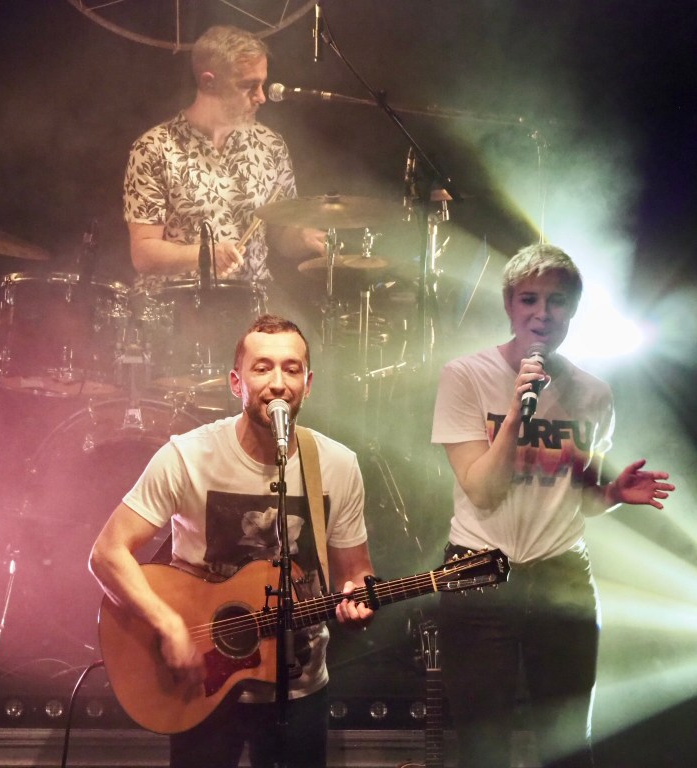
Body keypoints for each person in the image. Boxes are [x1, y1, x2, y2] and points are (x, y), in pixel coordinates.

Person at [89, 314, 376, 768]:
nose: (278, 383)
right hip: (202, 681)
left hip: (298, 686)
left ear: (308, 384)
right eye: (262, 368)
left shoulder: (337, 466)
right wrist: (168, 625)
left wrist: (358, 600)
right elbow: (107, 554)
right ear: (236, 382)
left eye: (292, 369)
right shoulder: (188, 456)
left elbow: (355, 572)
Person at [431, 243, 674, 768]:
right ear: (509, 305)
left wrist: (613, 495)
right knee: (482, 748)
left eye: (557, 301)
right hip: (478, 573)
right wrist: (518, 412)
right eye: (529, 299)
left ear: (573, 309)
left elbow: (581, 499)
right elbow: (481, 489)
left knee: (567, 745)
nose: (543, 313)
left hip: (561, 577)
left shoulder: (594, 393)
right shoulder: (465, 375)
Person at [123, 24, 323, 300]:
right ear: (209, 82)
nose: (261, 97)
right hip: (174, 304)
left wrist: (303, 237)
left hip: (251, 300)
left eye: (262, 84)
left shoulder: (271, 145)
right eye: (248, 86)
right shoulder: (154, 148)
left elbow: (280, 233)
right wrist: (205, 255)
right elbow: (144, 253)